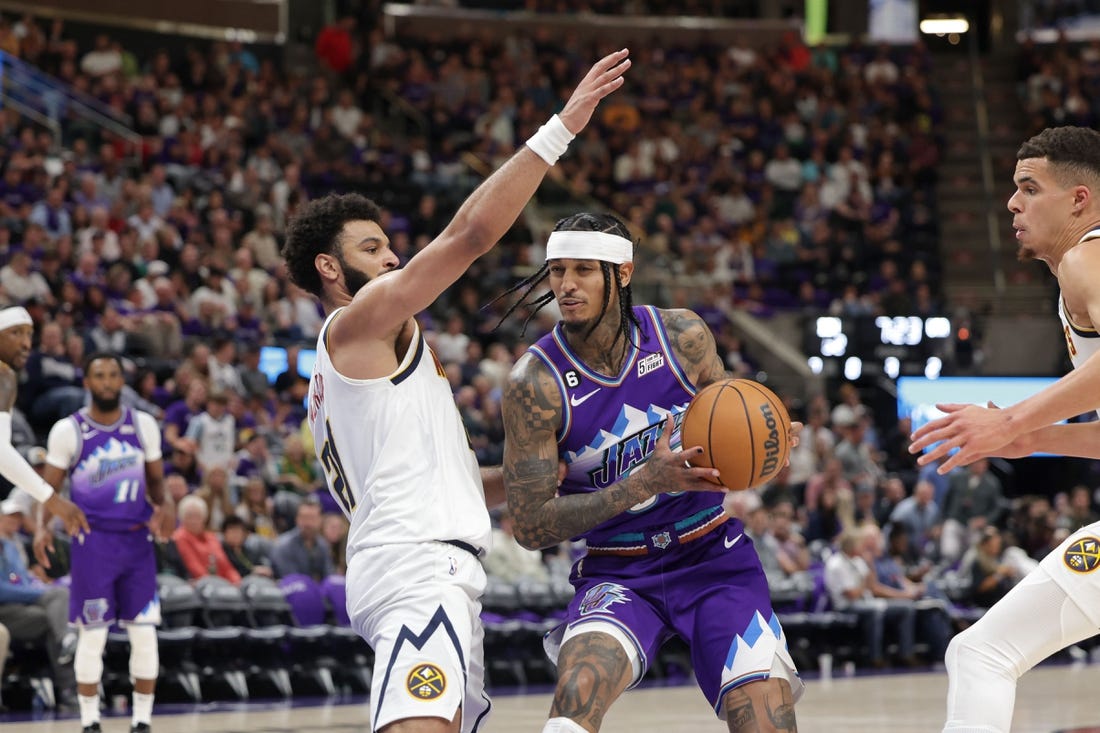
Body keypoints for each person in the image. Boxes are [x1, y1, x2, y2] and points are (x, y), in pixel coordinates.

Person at [281, 50, 631, 733]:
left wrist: (527, 479)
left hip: (421, 563)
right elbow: (470, 234)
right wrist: (561, 127)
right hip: (418, 568)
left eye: (390, 247)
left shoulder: (356, 370)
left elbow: (436, 476)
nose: (391, 259)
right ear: (330, 267)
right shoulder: (355, 326)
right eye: (374, 248)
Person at [499, 213, 802, 733]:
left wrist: (767, 445)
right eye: (556, 271)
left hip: (711, 556)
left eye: (583, 271)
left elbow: (730, 440)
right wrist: (642, 484)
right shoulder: (536, 383)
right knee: (575, 699)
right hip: (618, 571)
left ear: (621, 273)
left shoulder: (683, 337)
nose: (566, 286)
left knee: (766, 722)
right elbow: (529, 527)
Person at [908, 125, 1100, 733]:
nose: (1012, 204)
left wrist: (1012, 419)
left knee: (982, 653)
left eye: (1028, 188)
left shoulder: (1086, 256)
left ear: (1079, 199)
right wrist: (1033, 440)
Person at [35, 352, 170, 733]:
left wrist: (169, 504)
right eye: (100, 376)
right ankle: (89, 721)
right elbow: (49, 490)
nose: (108, 382)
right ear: (87, 383)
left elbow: (158, 483)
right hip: (92, 544)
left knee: (144, 634)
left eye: (114, 375)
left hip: (137, 543)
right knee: (92, 635)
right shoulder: (69, 430)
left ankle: (141, 721)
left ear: (121, 381)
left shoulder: (143, 425)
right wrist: (43, 527)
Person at [0, 306, 88, 538]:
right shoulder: (3, 377)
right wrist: (52, 499)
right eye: (15, 333)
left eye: (29, 334)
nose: (26, 344)